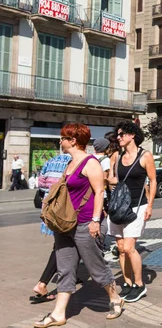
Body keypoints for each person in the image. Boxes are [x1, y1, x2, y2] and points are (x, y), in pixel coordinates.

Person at [34, 124, 123, 327]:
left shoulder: (90, 163)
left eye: (63, 138)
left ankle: (115, 297)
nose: (60, 141)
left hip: (85, 223)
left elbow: (100, 192)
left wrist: (95, 221)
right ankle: (58, 314)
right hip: (65, 224)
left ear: (73, 141)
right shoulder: (70, 162)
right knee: (65, 269)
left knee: (96, 268)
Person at [108, 121, 156, 303]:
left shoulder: (145, 156)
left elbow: (153, 181)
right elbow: (113, 179)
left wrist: (150, 205)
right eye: (118, 135)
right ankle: (127, 283)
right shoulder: (117, 156)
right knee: (120, 249)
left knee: (129, 247)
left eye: (121, 134)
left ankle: (139, 284)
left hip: (137, 206)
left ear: (132, 135)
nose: (118, 137)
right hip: (119, 206)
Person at [31, 152, 72, 304]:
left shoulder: (51, 161)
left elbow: (40, 184)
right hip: (65, 211)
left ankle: (68, 276)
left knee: (61, 245)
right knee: (61, 247)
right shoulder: (74, 162)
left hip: (49, 210)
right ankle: (42, 283)